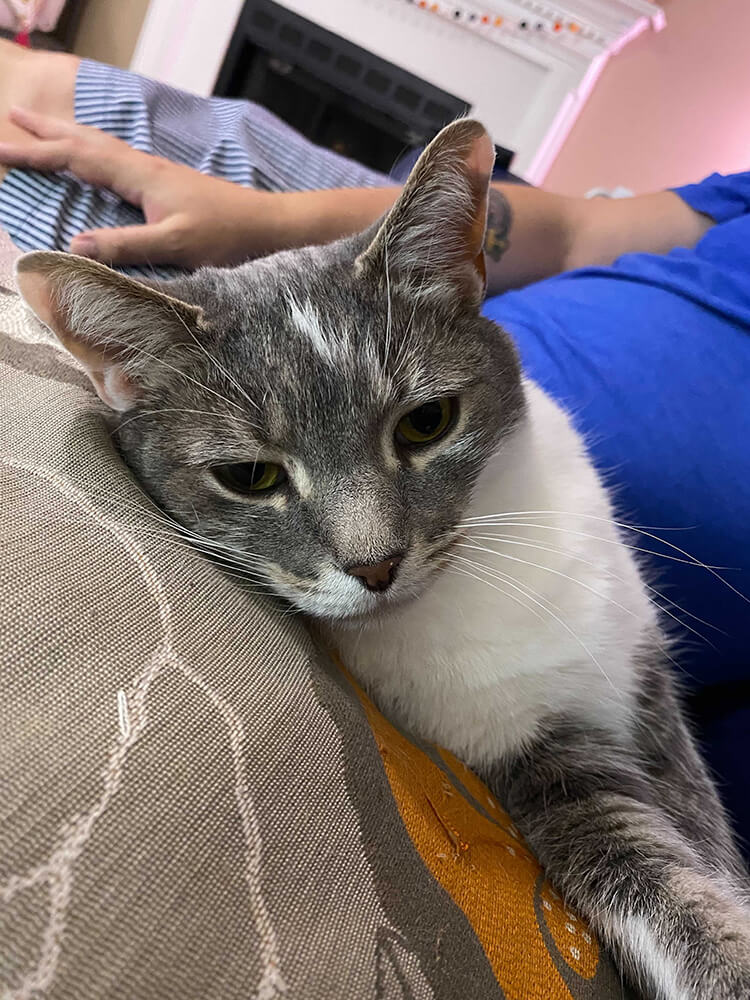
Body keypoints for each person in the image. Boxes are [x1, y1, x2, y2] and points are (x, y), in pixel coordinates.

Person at [1, 40, 749, 853]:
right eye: (253, 473)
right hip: (384, 324)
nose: (371, 555)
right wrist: (258, 219)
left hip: (485, 430)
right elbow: (575, 229)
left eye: (422, 426)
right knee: (76, 117)